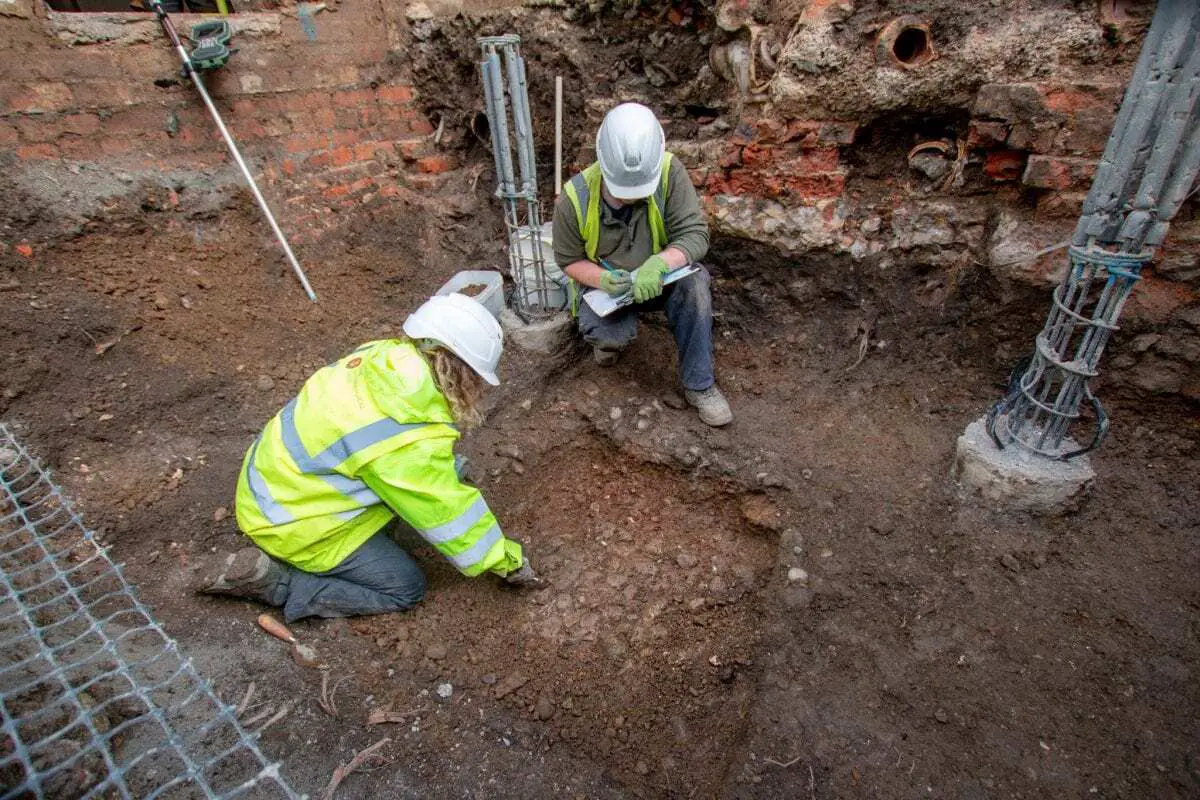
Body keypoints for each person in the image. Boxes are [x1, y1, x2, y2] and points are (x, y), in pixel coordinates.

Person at [197, 293, 537, 622]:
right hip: (293, 524)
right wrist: (507, 562)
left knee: (443, 474)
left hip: (274, 482)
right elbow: (445, 512)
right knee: (406, 587)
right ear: (461, 373)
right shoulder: (406, 439)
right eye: (477, 379)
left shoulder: (380, 356)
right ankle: (282, 585)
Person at [552, 101, 732, 427]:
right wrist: (602, 280)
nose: (631, 197)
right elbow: (568, 259)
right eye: (623, 193)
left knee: (695, 285)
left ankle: (699, 385)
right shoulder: (574, 198)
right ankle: (608, 342)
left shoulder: (668, 173)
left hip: (660, 280)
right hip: (609, 290)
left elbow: (694, 235)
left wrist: (660, 263)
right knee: (610, 336)